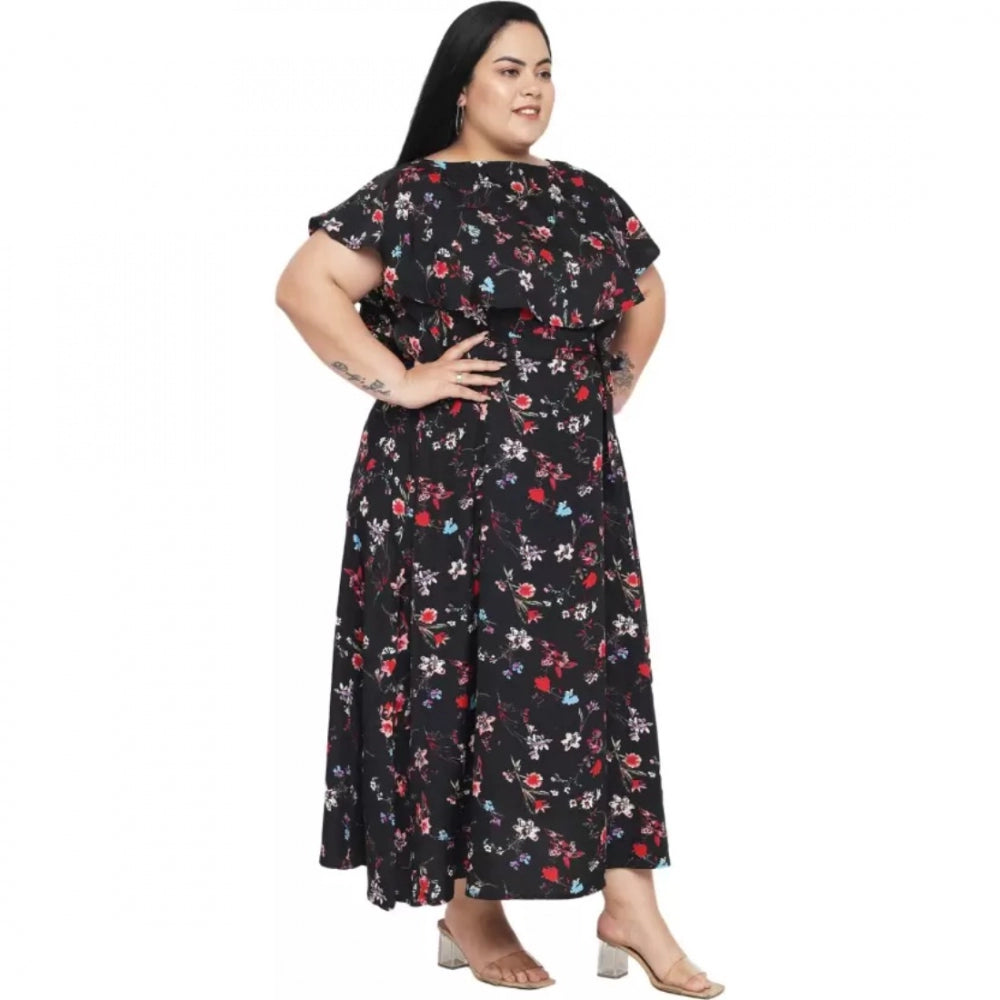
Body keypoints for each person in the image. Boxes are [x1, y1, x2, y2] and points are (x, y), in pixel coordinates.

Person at [275, 3, 723, 995]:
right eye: (510, 69)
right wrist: (403, 381)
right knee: (458, 675)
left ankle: (630, 902)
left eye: (545, 70)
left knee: (594, 678)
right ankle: (468, 906)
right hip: (442, 483)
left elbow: (645, 290)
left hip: (570, 481)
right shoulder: (411, 195)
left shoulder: (583, 195)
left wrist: (615, 382)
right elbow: (305, 287)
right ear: (462, 86)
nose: (532, 88)